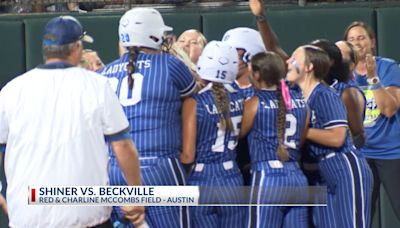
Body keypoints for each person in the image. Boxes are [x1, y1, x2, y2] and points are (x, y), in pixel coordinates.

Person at [0, 15, 144, 227]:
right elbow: (123, 146)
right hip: (85, 216)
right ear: (77, 48)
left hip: (28, 216)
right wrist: (135, 196)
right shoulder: (98, 85)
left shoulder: (12, 90)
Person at [100, 8, 197, 228]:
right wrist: (188, 154)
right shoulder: (172, 65)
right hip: (160, 167)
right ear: (154, 35)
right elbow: (192, 100)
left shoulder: (102, 74)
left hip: (116, 170)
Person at [286, 44, 373, 228]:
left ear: (309, 67)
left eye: (294, 58)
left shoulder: (324, 94)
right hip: (322, 170)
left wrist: (302, 131)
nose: (288, 62)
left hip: (344, 166)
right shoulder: (298, 95)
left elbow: (337, 137)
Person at [240, 52, 309, 228]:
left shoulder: (254, 103)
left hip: (268, 178)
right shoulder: (302, 102)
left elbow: (236, 136)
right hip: (297, 177)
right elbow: (301, 139)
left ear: (257, 74)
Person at [180, 41, 245, 228]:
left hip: (201, 179)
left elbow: (188, 155)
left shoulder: (194, 102)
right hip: (232, 176)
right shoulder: (240, 96)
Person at [344, 21, 400, 221]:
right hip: (361, 155)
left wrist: (373, 78)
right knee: (361, 216)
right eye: (351, 39)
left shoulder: (388, 67)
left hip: (392, 153)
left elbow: (389, 109)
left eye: (361, 38)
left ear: (372, 42)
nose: (357, 43)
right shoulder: (344, 75)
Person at [311, 39, 365, 149]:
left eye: (314, 55)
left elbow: (359, 136)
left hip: (337, 161)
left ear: (330, 61)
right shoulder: (304, 88)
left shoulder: (347, 92)